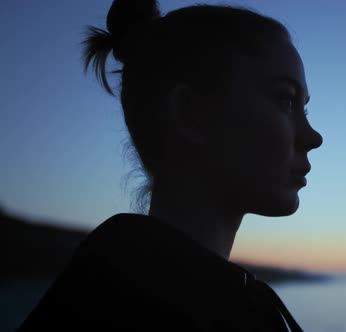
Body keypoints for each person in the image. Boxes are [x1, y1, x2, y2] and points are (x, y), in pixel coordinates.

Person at [17, 0, 322, 331]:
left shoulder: (96, 288)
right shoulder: (203, 313)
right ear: (191, 115)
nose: (313, 137)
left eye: (303, 108)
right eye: (285, 100)